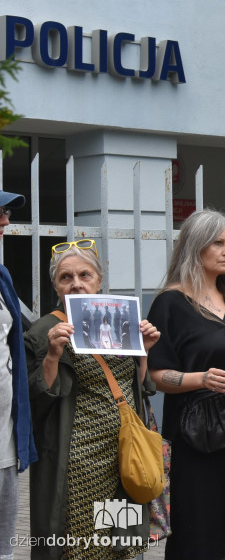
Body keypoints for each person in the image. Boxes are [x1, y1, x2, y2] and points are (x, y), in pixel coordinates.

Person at [25, 239, 160, 559]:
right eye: (65, 277)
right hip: (77, 465)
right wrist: (52, 356)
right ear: (55, 285)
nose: (76, 285)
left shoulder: (118, 319)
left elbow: (134, 389)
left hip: (122, 458)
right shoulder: (44, 329)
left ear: (100, 280)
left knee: (119, 545)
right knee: (85, 547)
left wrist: (143, 354)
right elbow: (34, 401)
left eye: (85, 276)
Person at [147, 209, 225, 560]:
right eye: (218, 243)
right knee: (201, 529)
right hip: (195, 439)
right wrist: (201, 379)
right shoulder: (169, 303)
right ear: (195, 247)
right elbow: (156, 376)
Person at [0, 190, 36, 560]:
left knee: (5, 545)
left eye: (6, 212)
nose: (6, 221)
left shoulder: (2, 275)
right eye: (0, 212)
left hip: (4, 438)